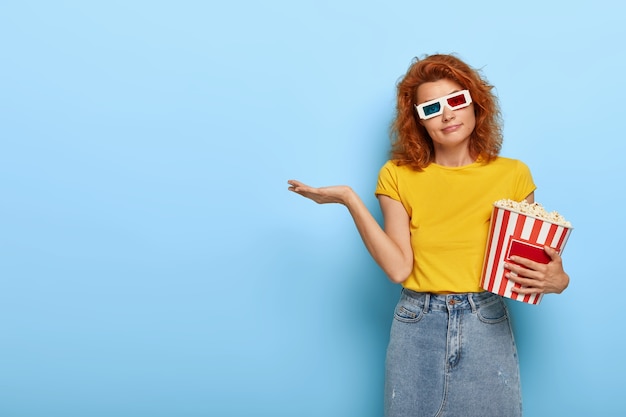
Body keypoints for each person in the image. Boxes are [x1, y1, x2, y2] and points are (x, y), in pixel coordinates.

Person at [287, 53, 569, 417]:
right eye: (432, 107)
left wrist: (557, 279)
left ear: (475, 104)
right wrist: (348, 199)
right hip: (417, 323)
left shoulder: (513, 175)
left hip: (486, 320)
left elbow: (525, 273)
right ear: (418, 121)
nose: (447, 114)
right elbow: (398, 269)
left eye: (456, 100)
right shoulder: (397, 176)